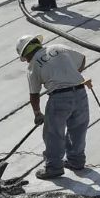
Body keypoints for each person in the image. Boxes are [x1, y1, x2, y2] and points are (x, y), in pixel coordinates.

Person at [17, 34, 88, 180]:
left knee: (53, 134)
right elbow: (82, 59)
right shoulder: (59, 47)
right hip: (80, 92)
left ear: (27, 53)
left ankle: (54, 167)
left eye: (25, 59)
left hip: (59, 97)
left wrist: (37, 113)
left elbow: (34, 94)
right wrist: (70, 75)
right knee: (78, 129)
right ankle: (76, 161)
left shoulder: (33, 65)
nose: (26, 62)